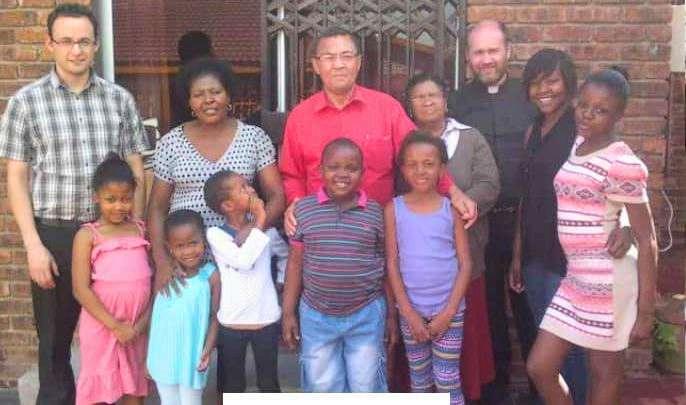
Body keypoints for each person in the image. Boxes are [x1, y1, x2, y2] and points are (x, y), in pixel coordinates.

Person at [277, 26, 476, 392]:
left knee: (370, 367)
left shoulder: (386, 108)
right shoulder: (300, 117)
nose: (338, 64)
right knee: (324, 377)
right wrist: (294, 203)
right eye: (329, 57)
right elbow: (291, 173)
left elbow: (419, 154)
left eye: (346, 56)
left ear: (358, 63)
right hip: (322, 250)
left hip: (378, 244)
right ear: (315, 65)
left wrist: (453, 190)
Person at [0, 3, 148, 402]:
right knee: (54, 339)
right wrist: (33, 245)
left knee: (120, 331)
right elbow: (16, 177)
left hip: (111, 235)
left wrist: (136, 231)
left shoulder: (119, 100)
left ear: (96, 44)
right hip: (56, 234)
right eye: (66, 41)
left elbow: (135, 165)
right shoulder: (26, 102)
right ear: (50, 44)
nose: (76, 50)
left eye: (84, 41)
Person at [526, 67, 658, 405]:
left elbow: (647, 238)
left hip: (610, 282)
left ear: (618, 116)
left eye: (600, 110)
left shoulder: (622, 161)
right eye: (584, 105)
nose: (587, 114)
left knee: (604, 373)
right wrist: (622, 222)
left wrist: (645, 312)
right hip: (575, 279)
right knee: (540, 367)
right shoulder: (578, 143)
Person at [446, 20, 537, 401]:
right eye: (478, 52)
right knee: (487, 312)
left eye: (493, 51)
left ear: (508, 52)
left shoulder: (531, 97)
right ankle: (493, 390)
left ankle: (539, 391)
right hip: (477, 225)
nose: (486, 59)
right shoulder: (455, 102)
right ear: (468, 57)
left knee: (529, 309)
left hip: (524, 224)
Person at [148, 56, 285, 293]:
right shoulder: (170, 143)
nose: (208, 100)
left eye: (216, 92)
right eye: (198, 94)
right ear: (189, 101)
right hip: (186, 264)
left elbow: (277, 196)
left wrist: (254, 230)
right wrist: (162, 262)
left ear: (229, 96)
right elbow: (157, 208)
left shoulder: (254, 138)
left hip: (242, 257)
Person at [404, 73, 498, 402]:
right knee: (417, 359)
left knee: (460, 347)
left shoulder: (470, 138)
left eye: (433, 95)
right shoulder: (405, 141)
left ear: (445, 100)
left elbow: (489, 184)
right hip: (417, 266)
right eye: (419, 97)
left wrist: (454, 210)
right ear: (410, 105)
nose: (427, 101)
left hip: (464, 257)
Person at [281, 138, 388, 392]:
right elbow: (295, 264)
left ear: (363, 173)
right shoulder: (304, 210)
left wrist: (392, 316)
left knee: (365, 384)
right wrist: (288, 312)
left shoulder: (375, 212)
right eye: (333, 167)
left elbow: (386, 264)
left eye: (351, 168)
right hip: (316, 315)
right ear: (320, 171)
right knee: (323, 385)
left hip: (366, 313)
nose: (342, 174)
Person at [385, 131, 472, 405]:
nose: (420, 170)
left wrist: (448, 312)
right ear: (402, 169)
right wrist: (408, 313)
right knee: (419, 381)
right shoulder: (393, 209)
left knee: (447, 380)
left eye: (428, 163)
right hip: (411, 312)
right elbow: (392, 263)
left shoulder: (451, 209)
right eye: (412, 164)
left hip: (449, 312)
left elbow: (465, 263)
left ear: (442, 169)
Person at [71, 154, 152, 405]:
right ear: (96, 197)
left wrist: (139, 325)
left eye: (126, 199)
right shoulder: (88, 235)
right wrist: (115, 326)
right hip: (103, 324)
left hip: (136, 326)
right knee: (99, 386)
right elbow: (80, 289)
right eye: (111, 199)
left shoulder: (140, 230)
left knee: (133, 385)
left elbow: (150, 281)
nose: (119, 206)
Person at [204, 170, 282, 393]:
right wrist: (260, 219)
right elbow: (243, 261)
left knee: (269, 383)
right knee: (233, 385)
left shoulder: (267, 232)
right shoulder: (216, 235)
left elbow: (285, 256)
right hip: (232, 322)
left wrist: (281, 280)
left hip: (266, 318)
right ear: (228, 205)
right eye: (243, 188)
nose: (251, 190)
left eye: (248, 185)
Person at [147, 209, 220, 405]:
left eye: (193, 243)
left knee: (191, 401)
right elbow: (157, 316)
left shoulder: (210, 276)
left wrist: (207, 349)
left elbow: (215, 317)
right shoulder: (166, 276)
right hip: (164, 355)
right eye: (180, 246)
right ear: (169, 248)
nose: (188, 251)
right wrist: (149, 353)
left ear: (204, 241)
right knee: (168, 401)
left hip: (193, 355)